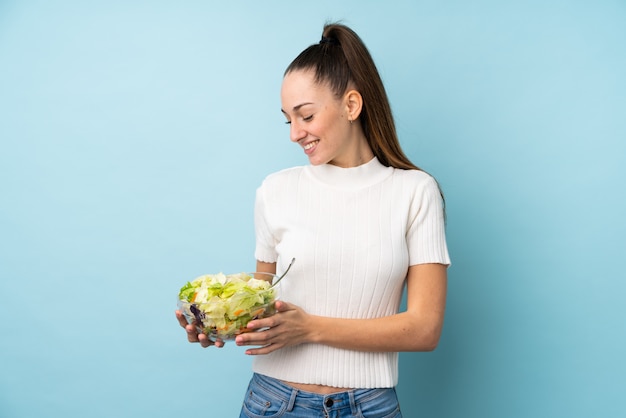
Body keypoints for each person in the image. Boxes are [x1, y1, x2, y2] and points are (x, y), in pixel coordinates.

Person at [176, 22, 450, 417]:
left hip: (368, 406)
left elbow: (425, 329)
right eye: (288, 120)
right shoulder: (275, 190)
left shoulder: (414, 192)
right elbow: (262, 304)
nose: (295, 134)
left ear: (351, 105)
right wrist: (214, 319)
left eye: (305, 115)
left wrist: (311, 327)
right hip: (272, 403)